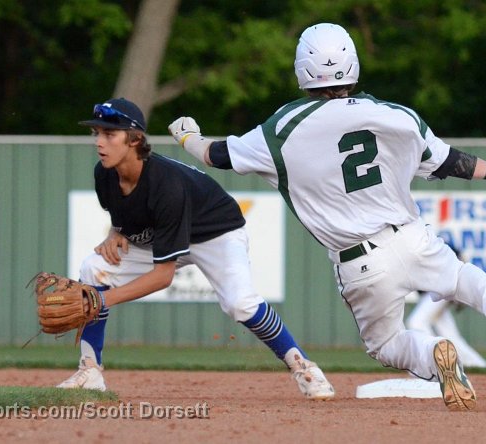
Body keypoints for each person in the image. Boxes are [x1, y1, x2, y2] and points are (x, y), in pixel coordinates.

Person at [167, 23, 486, 411]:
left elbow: (215, 156)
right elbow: (451, 161)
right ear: (352, 64)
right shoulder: (396, 115)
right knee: (457, 276)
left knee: (386, 345)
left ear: (302, 69)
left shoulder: (283, 128)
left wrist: (188, 136)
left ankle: (434, 352)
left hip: (361, 261)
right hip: (411, 235)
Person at [57, 97, 335, 400]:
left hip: (216, 232)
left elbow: (163, 276)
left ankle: (303, 367)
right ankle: (90, 372)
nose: (99, 142)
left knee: (241, 304)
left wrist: (102, 299)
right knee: (93, 268)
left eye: (110, 134)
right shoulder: (104, 174)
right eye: (96, 133)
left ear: (135, 139)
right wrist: (116, 232)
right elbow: (125, 215)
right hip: (168, 233)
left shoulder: (166, 185)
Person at [405, 245, 486, 369]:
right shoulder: (405, 247)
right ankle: (479, 365)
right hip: (432, 293)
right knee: (450, 334)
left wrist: (461, 288)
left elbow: (460, 259)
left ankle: (434, 360)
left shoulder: (431, 243)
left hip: (439, 290)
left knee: (416, 322)